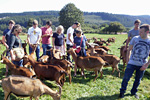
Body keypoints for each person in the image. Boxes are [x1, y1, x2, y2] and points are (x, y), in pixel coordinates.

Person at [119, 24, 150, 99]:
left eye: (141, 32)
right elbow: (129, 50)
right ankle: (122, 92)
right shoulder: (135, 39)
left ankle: (133, 92)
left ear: (147, 32)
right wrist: (127, 60)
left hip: (142, 64)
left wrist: (146, 65)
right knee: (126, 78)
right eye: (139, 31)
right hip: (132, 63)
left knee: (138, 80)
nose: (139, 33)